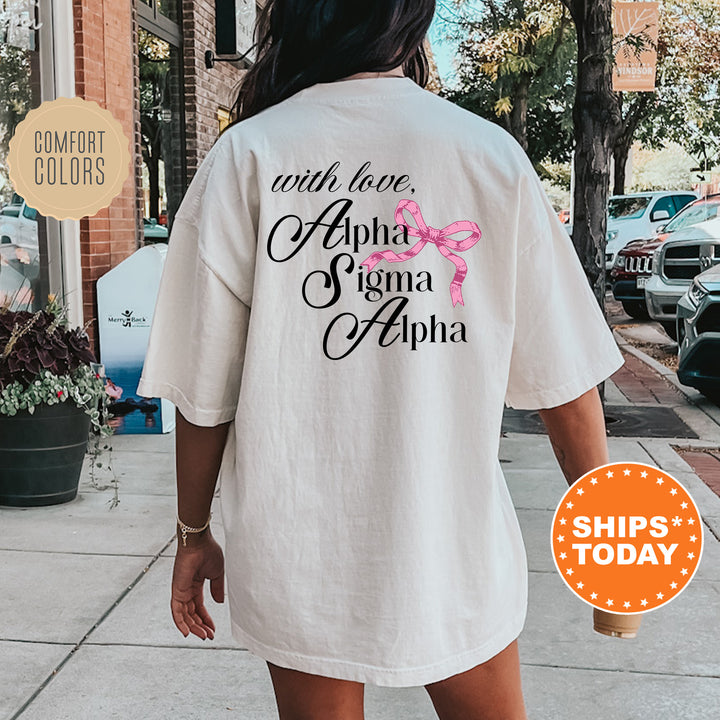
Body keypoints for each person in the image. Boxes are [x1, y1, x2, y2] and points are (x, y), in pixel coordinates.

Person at [138, 1, 624, 718]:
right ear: (413, 18)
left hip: (300, 552)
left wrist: (192, 533)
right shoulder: (487, 157)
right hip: (452, 548)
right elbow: (566, 381)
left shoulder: (248, 157)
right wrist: (609, 543)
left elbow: (205, 392)